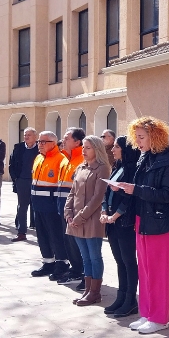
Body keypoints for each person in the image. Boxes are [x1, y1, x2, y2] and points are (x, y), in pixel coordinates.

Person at [120, 116, 169, 335]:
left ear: (155, 137)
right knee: (145, 271)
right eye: (136, 137)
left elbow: (166, 194)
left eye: (142, 137)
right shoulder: (144, 157)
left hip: (160, 222)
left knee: (158, 272)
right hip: (142, 219)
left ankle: (159, 317)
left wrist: (134, 189)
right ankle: (147, 313)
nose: (138, 141)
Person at [65, 135, 112, 306]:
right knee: (85, 257)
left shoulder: (103, 168)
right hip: (76, 219)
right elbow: (72, 192)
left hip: (91, 219)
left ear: (97, 149)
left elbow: (98, 197)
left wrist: (80, 217)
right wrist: (68, 211)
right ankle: (87, 290)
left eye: (88, 148)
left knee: (94, 256)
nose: (83, 151)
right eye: (83, 147)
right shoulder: (80, 167)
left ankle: (95, 292)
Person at [101, 136, 141, 317]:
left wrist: (115, 215)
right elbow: (107, 191)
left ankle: (130, 300)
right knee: (119, 261)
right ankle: (121, 296)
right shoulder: (117, 167)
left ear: (125, 149)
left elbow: (129, 198)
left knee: (128, 261)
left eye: (116, 147)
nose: (113, 150)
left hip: (123, 222)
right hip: (111, 221)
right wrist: (104, 211)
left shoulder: (132, 169)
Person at [30, 131, 70, 277]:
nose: (39, 144)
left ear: (53, 143)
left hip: (52, 205)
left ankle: (62, 263)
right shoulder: (38, 158)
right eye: (39, 141)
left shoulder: (61, 159)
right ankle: (48, 262)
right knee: (42, 235)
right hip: (38, 204)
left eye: (43, 142)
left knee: (56, 235)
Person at [52, 128, 86, 288]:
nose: (63, 141)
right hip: (63, 208)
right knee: (68, 240)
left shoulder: (82, 160)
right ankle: (75, 269)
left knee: (76, 241)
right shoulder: (66, 159)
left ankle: (82, 272)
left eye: (67, 138)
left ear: (77, 142)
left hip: (75, 210)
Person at [9, 127, 38, 241]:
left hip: (38, 181)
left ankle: (39, 229)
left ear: (35, 137)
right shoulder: (18, 148)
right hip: (22, 180)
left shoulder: (40, 149)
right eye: (25, 135)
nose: (26, 137)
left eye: (29, 135)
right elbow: (12, 164)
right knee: (22, 206)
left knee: (37, 205)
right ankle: (21, 232)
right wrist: (16, 179)